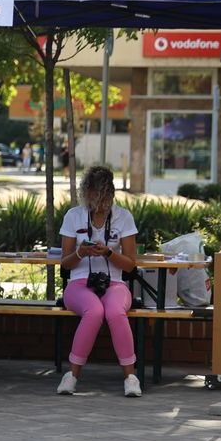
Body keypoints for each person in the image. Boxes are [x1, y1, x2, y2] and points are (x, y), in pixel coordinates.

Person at [57, 165, 141, 398]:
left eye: (104, 198)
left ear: (111, 194)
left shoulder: (123, 216)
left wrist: (109, 253)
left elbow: (130, 264)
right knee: (94, 311)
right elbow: (65, 263)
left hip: (114, 283)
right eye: (94, 197)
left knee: (115, 312)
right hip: (79, 282)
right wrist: (81, 253)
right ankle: (72, 375)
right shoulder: (74, 215)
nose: (99, 204)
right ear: (86, 193)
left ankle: (130, 377)